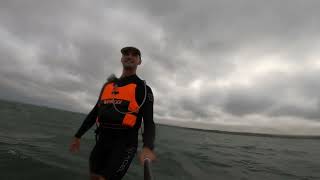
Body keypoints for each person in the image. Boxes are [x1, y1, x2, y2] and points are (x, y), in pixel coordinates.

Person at [69, 46, 156, 180]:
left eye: (134, 55)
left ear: (139, 61)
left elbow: (149, 122)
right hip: (102, 142)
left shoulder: (143, 89)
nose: (129, 56)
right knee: (94, 176)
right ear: (121, 59)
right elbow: (94, 113)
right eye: (126, 54)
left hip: (124, 146)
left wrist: (148, 147)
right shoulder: (108, 86)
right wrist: (78, 135)